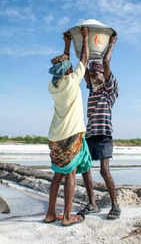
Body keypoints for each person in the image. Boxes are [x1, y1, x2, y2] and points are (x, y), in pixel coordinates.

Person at [44, 27, 92, 226]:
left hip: (55, 136)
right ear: (68, 70)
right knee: (70, 174)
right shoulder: (73, 81)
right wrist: (86, 38)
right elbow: (85, 58)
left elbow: (65, 62)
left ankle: (50, 214)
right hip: (71, 134)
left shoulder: (53, 86)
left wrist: (66, 42)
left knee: (57, 175)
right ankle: (66, 217)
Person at [78, 32, 120, 220]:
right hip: (89, 135)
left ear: (104, 75)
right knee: (85, 168)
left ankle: (115, 205)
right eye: (92, 73)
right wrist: (81, 42)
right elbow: (84, 64)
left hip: (104, 135)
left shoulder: (109, 89)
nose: (94, 75)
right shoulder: (92, 88)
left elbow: (107, 62)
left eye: (97, 72)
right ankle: (92, 203)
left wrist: (111, 43)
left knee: (104, 170)